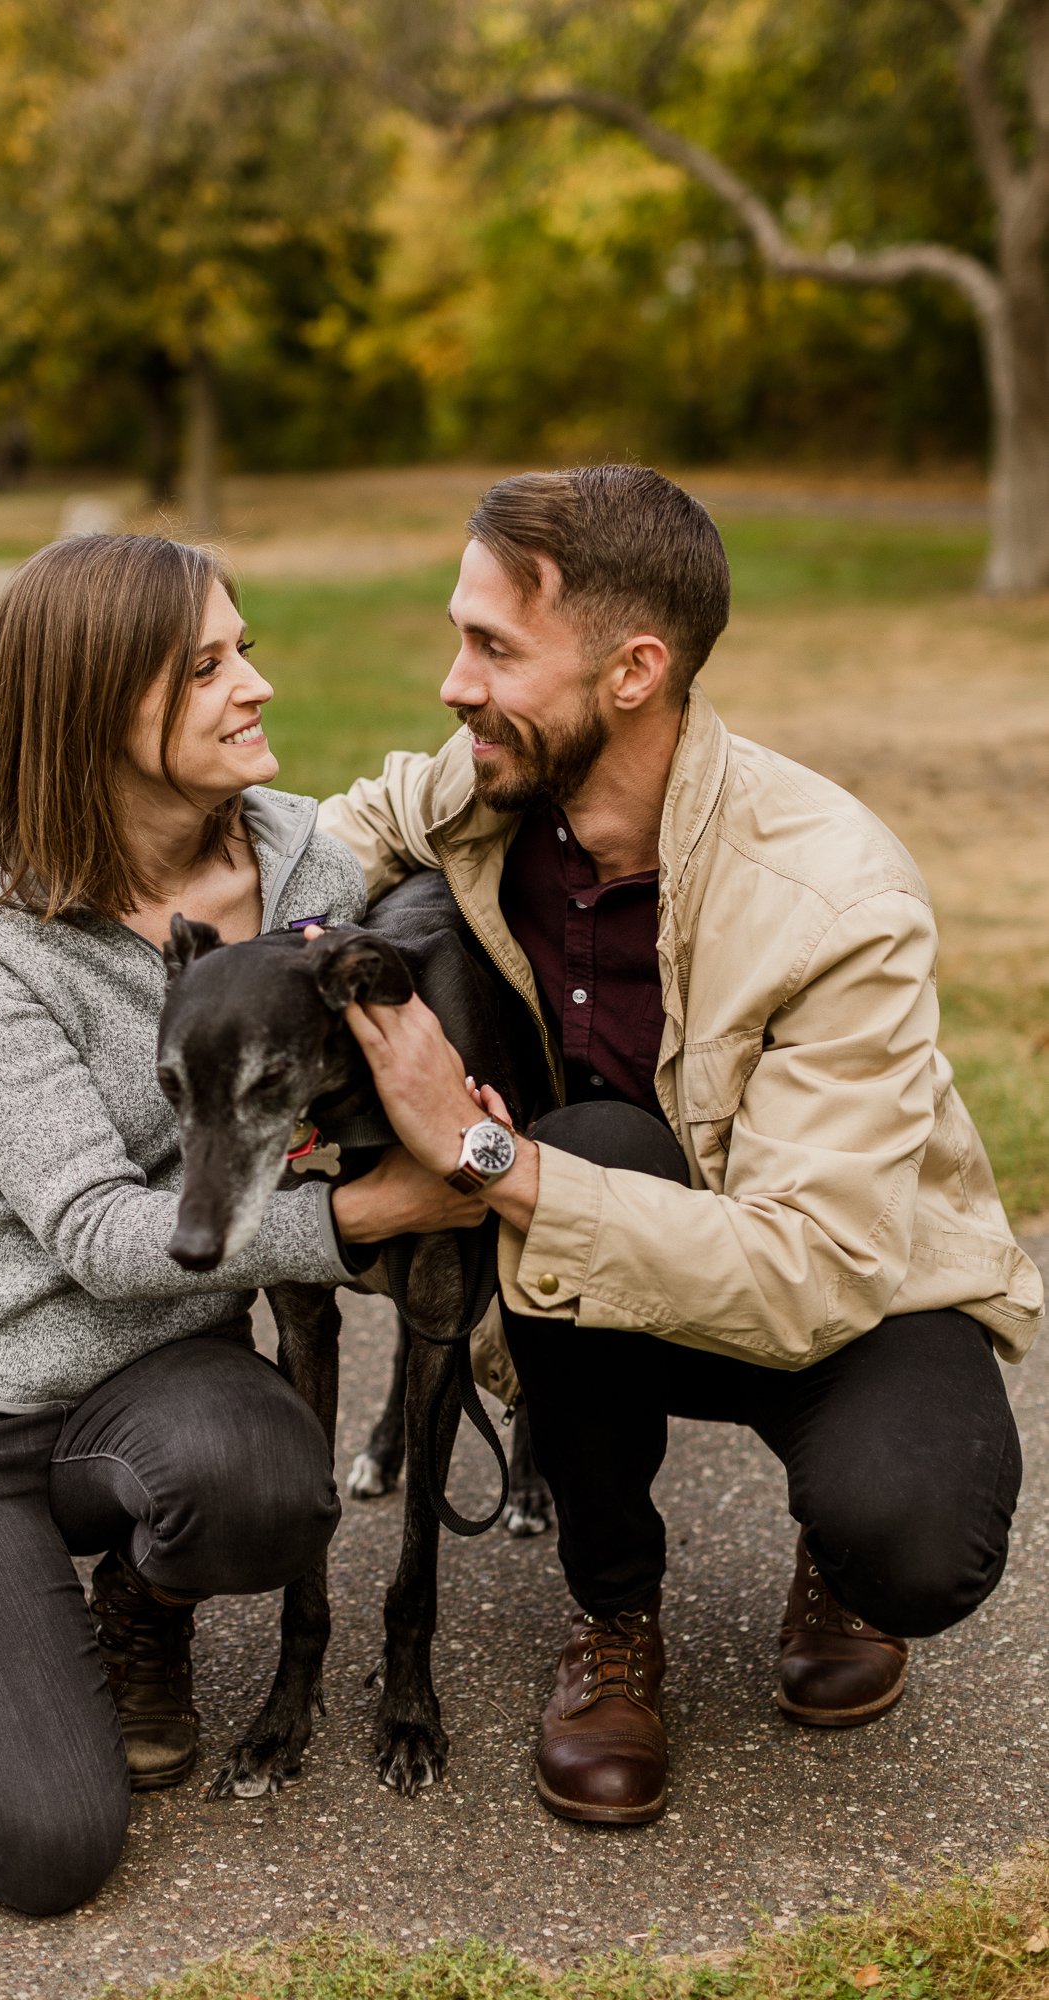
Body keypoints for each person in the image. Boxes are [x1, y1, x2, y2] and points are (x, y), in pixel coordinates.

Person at [317, 465, 1044, 1828]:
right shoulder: (489, 788)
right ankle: (613, 1618)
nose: (450, 684)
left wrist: (479, 1159)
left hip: (842, 1280)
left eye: (490, 647)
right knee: (593, 1149)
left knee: (916, 1542)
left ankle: (834, 1553)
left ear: (634, 670)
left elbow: (806, 1273)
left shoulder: (835, 892)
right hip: (617, 1273)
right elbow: (318, 845)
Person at [0, 533, 481, 1915]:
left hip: (150, 1372)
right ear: (99, 706)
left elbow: (468, 802)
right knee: (45, 1852)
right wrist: (372, 1212)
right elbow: (98, 1233)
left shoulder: (307, 868)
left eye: (246, 649)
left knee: (270, 1481)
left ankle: (132, 1605)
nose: (255, 688)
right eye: (208, 667)